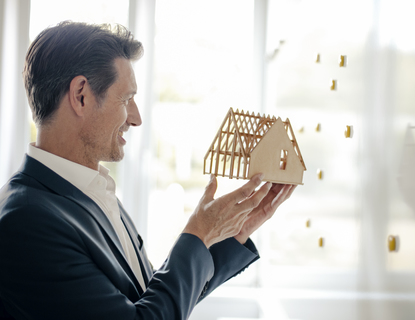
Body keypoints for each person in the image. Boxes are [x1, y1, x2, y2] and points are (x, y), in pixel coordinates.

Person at [0, 21, 295, 319]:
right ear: (81, 96)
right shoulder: (26, 221)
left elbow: (155, 302)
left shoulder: (92, 191)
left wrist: (232, 233)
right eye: (127, 99)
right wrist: (198, 233)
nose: (136, 118)